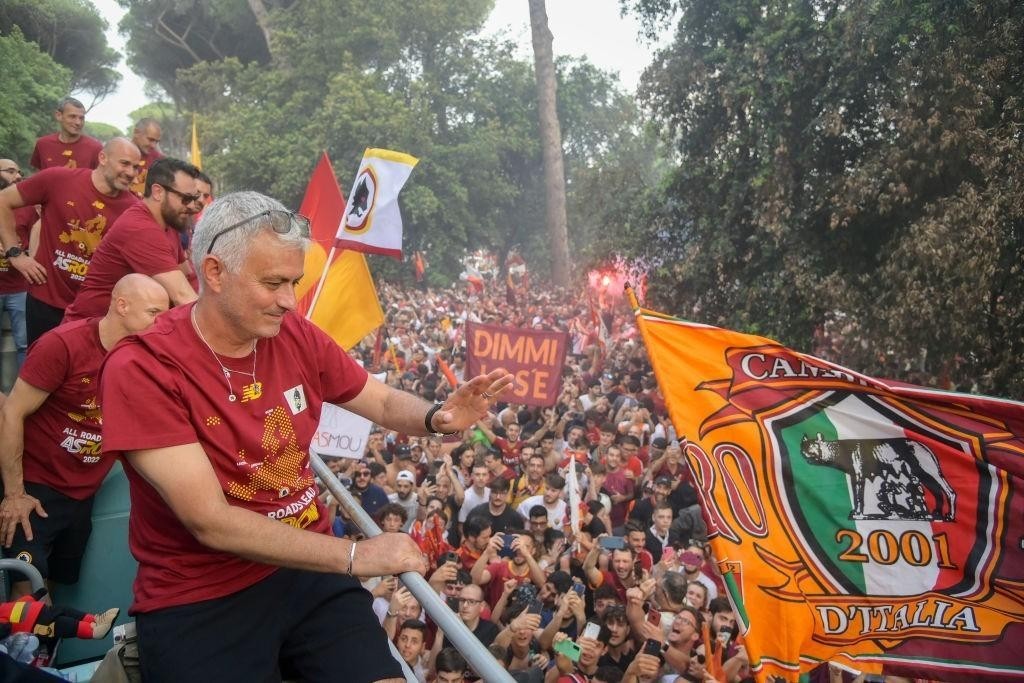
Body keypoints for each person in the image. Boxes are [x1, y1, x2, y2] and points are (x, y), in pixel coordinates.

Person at [96, 190, 514, 682]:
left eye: (294, 282)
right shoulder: (143, 367)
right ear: (214, 272)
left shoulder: (293, 333)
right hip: (199, 592)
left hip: (307, 571)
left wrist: (438, 418)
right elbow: (210, 521)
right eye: (273, 283)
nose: (289, 301)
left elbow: (377, 400)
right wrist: (356, 555)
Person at [0, 274, 169, 598]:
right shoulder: (64, 344)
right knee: (28, 583)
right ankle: (26, 649)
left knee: (55, 581)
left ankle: (44, 647)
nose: (161, 322)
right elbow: (12, 412)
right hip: (37, 486)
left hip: (84, 492)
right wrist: (14, 494)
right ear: (122, 305)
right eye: (153, 312)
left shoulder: (146, 357)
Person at [0, 138, 141, 344]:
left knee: (82, 376)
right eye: (125, 163)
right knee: (39, 369)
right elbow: (4, 200)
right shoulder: (58, 179)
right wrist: (15, 253)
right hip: (45, 300)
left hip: (93, 312)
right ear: (102, 157)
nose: (131, 172)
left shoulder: (133, 208)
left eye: (136, 167)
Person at [63, 157, 202, 322]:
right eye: (186, 199)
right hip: (91, 334)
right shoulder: (140, 229)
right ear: (158, 192)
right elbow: (183, 296)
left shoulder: (168, 222)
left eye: (195, 198)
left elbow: (186, 275)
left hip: (125, 330)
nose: (192, 206)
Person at [0, 159, 35, 369]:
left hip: (19, 289)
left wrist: (19, 251)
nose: (18, 176)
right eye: (11, 171)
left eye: (19, 171)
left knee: (24, 344)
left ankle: (19, 396)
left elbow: (37, 246)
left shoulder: (28, 209)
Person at [30, 97, 102, 171]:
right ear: (59, 116)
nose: (78, 122)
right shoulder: (43, 144)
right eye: (72, 116)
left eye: (81, 118)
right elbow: (38, 177)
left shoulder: (95, 148)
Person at [127, 118, 164, 197]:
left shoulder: (158, 160)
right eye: (150, 140)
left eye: (156, 142)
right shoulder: (118, 152)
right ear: (136, 132)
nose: (153, 145)